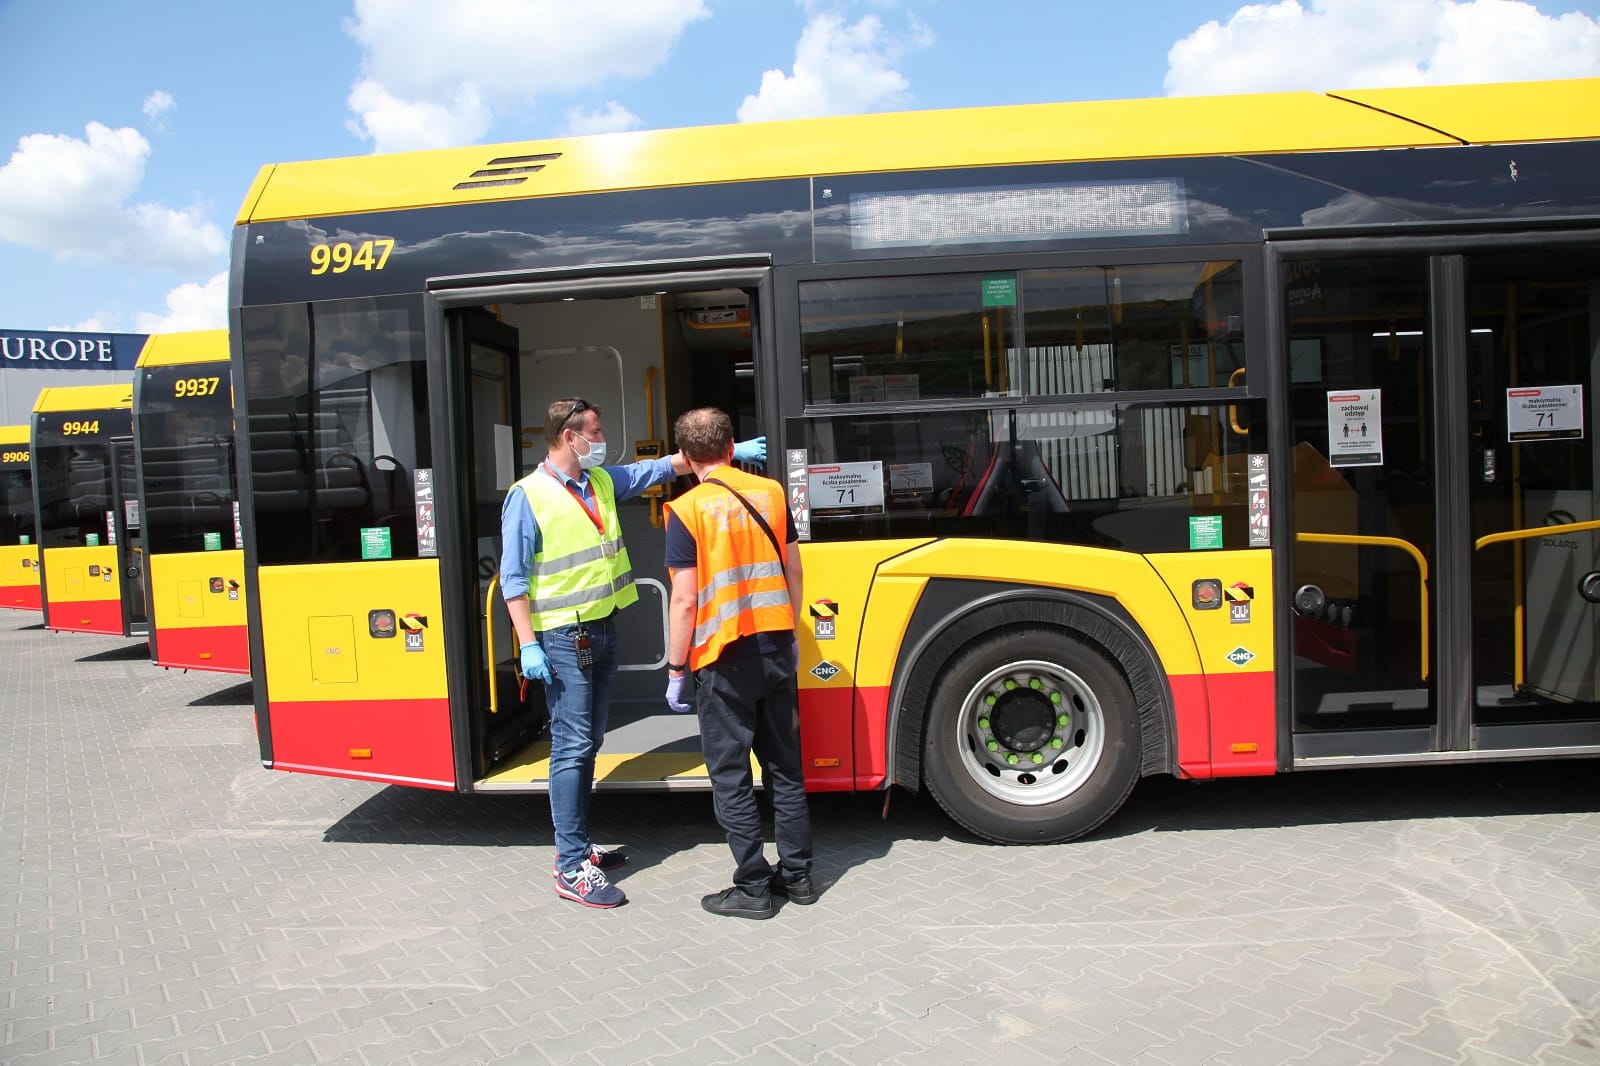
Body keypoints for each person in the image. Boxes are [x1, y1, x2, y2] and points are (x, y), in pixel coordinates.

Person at [501, 397, 764, 909]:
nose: (601, 441)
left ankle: (579, 847)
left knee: (590, 740)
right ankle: (571, 865)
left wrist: (725, 456)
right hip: (561, 637)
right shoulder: (528, 495)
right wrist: (528, 642)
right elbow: (513, 579)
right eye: (594, 432)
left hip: (599, 630)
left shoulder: (597, 482)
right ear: (568, 436)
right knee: (573, 747)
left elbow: (653, 471)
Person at [662, 407, 815, 919]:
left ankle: (753, 888)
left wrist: (676, 669)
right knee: (785, 770)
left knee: (730, 775)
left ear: (685, 457)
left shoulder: (686, 510)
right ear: (732, 448)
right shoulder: (771, 493)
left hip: (723, 658)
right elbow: (793, 569)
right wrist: (788, 631)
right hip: (775, 649)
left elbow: (684, 600)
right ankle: (798, 878)